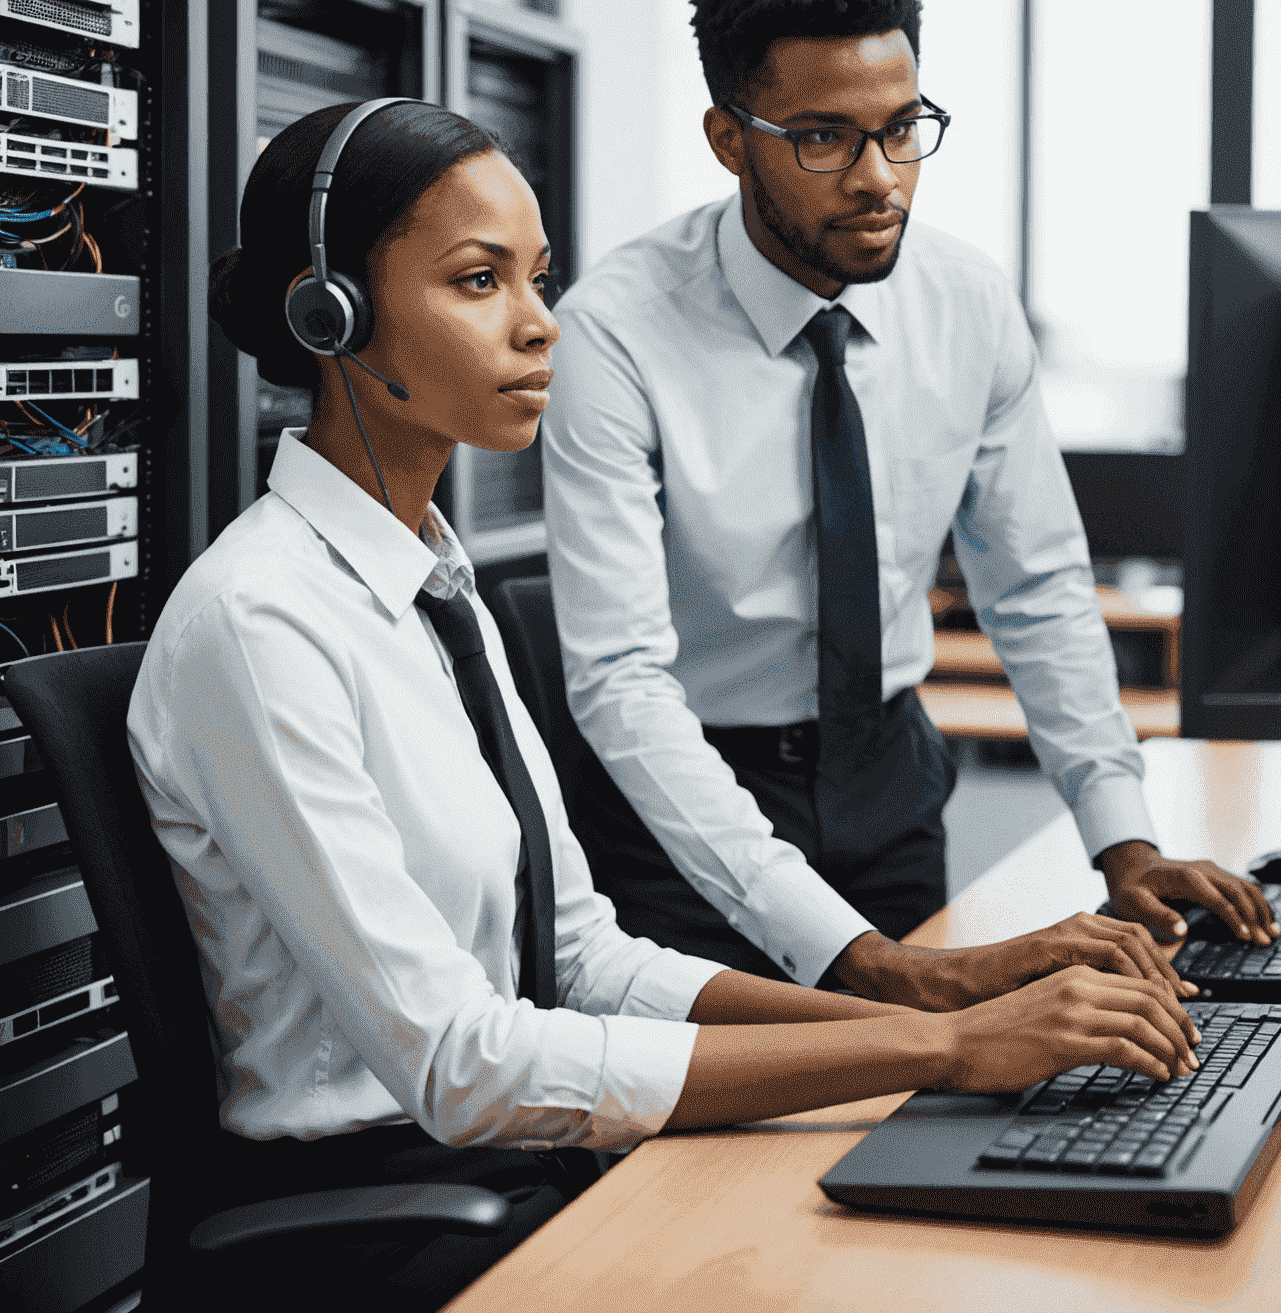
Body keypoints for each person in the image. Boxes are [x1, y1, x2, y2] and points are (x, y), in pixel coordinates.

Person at [128, 100, 1200, 1310]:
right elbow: (460, 1064)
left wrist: (918, 994)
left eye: (539, 279)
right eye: (480, 283)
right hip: (385, 1226)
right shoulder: (260, 626)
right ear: (330, 314)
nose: (542, 328)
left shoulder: (433, 586)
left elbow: (578, 955)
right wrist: (937, 1049)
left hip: (526, 1159)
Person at [540, 0, 1278, 1012]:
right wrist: (858, 957)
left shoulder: (967, 305)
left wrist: (1122, 840)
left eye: (903, 129)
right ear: (730, 138)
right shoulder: (612, 332)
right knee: (705, 1166)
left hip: (888, 775)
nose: (880, 179)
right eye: (824, 139)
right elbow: (620, 684)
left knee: (907, 1129)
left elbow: (1036, 587)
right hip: (686, 800)